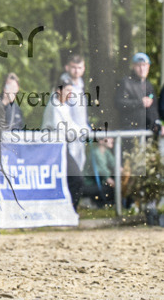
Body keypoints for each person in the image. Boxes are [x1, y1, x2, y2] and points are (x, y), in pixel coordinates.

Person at [43, 75, 90, 210]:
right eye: (67, 91)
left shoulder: (64, 105)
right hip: (53, 149)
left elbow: (71, 125)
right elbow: (62, 130)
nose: (70, 94)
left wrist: (83, 130)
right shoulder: (54, 106)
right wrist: (80, 133)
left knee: (72, 180)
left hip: (62, 148)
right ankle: (70, 211)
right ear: (59, 91)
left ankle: (70, 210)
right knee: (76, 179)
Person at [115, 52, 157, 131]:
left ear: (148, 67)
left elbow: (153, 108)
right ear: (133, 67)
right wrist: (140, 103)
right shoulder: (126, 82)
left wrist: (155, 123)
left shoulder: (148, 85)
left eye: (144, 65)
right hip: (130, 130)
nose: (142, 69)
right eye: (139, 65)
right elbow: (119, 103)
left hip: (146, 131)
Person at [87, 136, 116, 206]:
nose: (112, 139)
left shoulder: (106, 152)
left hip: (100, 183)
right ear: (100, 141)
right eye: (109, 137)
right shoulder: (96, 153)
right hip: (90, 185)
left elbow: (115, 165)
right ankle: (92, 202)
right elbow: (106, 177)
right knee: (111, 190)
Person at [64, 54, 89, 129]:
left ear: (83, 68)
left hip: (80, 134)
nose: (76, 71)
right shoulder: (63, 86)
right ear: (67, 67)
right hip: (67, 135)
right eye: (73, 67)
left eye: (79, 68)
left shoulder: (80, 86)